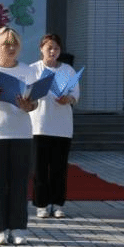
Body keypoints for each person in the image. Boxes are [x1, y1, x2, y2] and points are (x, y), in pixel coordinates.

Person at [0, 26, 38, 247]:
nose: (10, 48)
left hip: (21, 132)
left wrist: (28, 104)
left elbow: (35, 102)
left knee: (19, 182)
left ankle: (18, 227)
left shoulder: (27, 71)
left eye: (14, 44)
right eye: (6, 44)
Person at [30, 33, 79, 220]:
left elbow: (75, 94)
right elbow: (27, 93)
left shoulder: (68, 70)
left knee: (59, 168)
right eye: (49, 48)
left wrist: (68, 98)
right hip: (39, 125)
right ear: (41, 49)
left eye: (56, 48)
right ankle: (41, 204)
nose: (52, 51)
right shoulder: (34, 69)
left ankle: (57, 204)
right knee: (40, 168)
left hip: (62, 127)